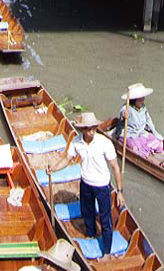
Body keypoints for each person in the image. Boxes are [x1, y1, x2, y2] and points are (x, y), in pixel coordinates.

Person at [47, 112, 124, 262]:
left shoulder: (104, 143)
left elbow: (115, 167)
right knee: (86, 211)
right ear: (83, 130)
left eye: (94, 128)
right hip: (86, 183)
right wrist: (54, 168)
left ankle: (107, 252)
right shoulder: (76, 141)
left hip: (102, 186)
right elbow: (67, 159)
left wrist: (120, 192)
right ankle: (90, 234)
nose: (91, 132)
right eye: (88, 129)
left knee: (105, 219)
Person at [116, 83, 163, 158]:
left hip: (141, 133)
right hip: (130, 135)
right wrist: (125, 115)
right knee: (136, 149)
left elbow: (149, 121)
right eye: (140, 100)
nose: (142, 101)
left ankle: (147, 149)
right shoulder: (127, 108)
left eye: (143, 99)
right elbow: (122, 113)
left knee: (159, 144)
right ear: (134, 100)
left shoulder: (143, 108)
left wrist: (156, 134)